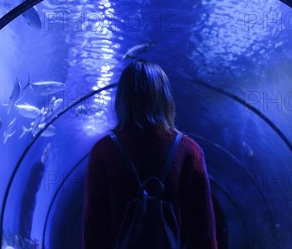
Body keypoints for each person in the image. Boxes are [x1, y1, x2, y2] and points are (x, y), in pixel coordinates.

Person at [83, 60, 217, 248]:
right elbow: (203, 231)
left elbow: (94, 232)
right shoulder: (189, 151)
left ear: (122, 99)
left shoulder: (103, 151)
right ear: (165, 97)